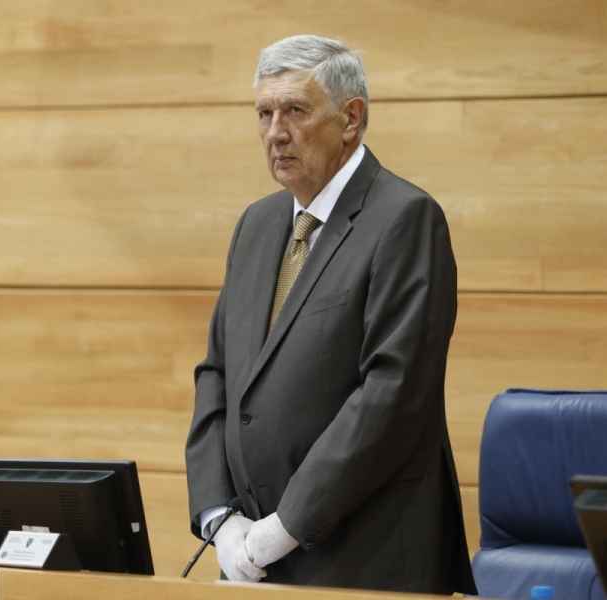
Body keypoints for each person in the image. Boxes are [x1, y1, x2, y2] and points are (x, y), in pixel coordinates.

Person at [184, 34, 477, 593]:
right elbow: (218, 373)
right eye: (265, 113)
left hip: (364, 561)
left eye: (295, 110)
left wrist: (285, 527)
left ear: (351, 119)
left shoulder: (405, 219)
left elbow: (392, 394)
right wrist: (220, 517)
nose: (276, 132)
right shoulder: (256, 225)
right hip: (253, 560)